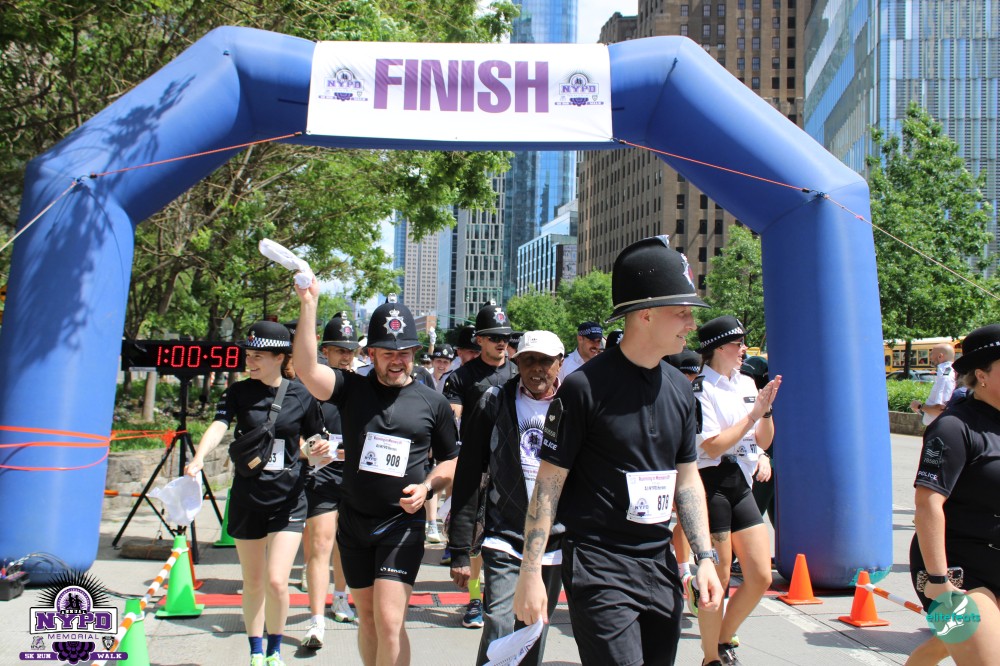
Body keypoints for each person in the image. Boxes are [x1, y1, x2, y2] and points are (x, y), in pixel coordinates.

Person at [514, 236, 724, 666]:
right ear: (646, 314)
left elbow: (688, 481)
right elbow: (548, 484)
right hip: (599, 566)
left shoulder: (681, 391)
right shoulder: (583, 388)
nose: (691, 323)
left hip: (659, 563)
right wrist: (530, 572)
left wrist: (704, 557)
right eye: (682, 312)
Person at [292, 289, 460, 666]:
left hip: (401, 524)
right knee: (367, 619)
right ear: (371, 355)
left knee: (389, 620)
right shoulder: (351, 389)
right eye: (387, 353)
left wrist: (427, 486)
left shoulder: (432, 403)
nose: (397, 361)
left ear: (414, 353)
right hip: (354, 523)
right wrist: (308, 303)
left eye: (405, 353)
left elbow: (451, 460)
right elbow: (305, 368)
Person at [185, 321, 325, 666]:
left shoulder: (301, 394)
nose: (250, 361)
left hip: (289, 499)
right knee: (253, 581)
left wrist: (317, 449)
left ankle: (275, 649)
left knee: (277, 581)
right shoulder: (238, 392)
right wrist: (199, 457)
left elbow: (313, 439)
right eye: (248, 355)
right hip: (248, 497)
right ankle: (255, 650)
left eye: (258, 356)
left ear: (280, 357)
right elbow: (219, 424)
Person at [450, 330, 566, 666]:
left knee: (534, 625)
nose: (537, 368)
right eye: (528, 360)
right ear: (517, 364)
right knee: (499, 621)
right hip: (504, 534)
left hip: (553, 540)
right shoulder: (494, 401)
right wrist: (460, 548)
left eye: (545, 361)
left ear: (559, 363)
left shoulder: (573, 406)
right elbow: (469, 473)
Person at [907, 324, 1000, 666]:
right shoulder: (952, 427)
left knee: (950, 642)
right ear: (982, 375)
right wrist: (938, 579)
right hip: (958, 570)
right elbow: (927, 502)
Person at [691, 316, 782, 666]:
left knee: (760, 575)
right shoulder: (701, 388)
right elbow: (713, 446)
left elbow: (763, 440)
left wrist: (766, 412)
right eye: (738, 343)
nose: (744, 349)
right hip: (711, 484)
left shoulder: (746, 382)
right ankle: (710, 657)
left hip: (740, 483)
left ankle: (722, 639)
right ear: (718, 348)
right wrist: (752, 416)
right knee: (721, 577)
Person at [443, 299, 518, 629]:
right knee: (474, 541)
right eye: (494, 337)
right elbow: (453, 417)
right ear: (480, 339)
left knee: (508, 539)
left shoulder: (518, 373)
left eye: (505, 337)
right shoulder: (462, 377)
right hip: (477, 467)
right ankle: (475, 599)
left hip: (513, 469)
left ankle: (502, 599)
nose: (502, 342)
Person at [301, 313, 359, 649]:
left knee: (346, 544)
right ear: (325, 351)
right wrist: (312, 448)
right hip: (321, 475)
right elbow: (296, 434)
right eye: (339, 350)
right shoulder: (311, 388)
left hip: (355, 477)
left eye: (350, 350)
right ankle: (315, 620)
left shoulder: (364, 386)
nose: (346, 356)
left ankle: (340, 597)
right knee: (321, 543)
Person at [664, 348, 705, 614]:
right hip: (664, 471)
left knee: (685, 517)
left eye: (694, 375)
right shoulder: (665, 391)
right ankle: (682, 570)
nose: (690, 379)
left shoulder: (694, 399)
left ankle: (684, 569)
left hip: (692, 469)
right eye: (686, 374)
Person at [911, 343, 957, 425]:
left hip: (939, 428)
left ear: (940, 356)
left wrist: (919, 406)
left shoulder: (945, 377)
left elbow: (941, 410)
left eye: (931, 354)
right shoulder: (946, 373)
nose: (930, 357)